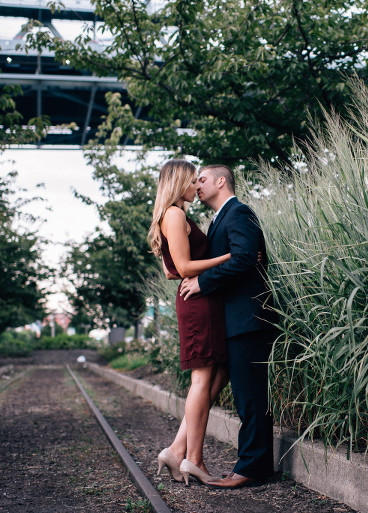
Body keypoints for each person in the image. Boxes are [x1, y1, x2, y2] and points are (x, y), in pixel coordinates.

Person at [179, 164, 276, 489]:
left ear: (222, 181)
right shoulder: (221, 217)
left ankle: (251, 468)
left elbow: (246, 257)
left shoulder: (239, 212)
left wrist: (203, 282)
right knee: (246, 397)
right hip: (236, 321)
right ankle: (252, 465)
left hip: (249, 319)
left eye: (202, 179)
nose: (197, 184)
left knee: (251, 398)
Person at [147, 159, 230, 486]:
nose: (198, 186)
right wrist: (228, 258)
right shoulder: (175, 213)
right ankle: (193, 459)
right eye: (194, 181)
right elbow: (183, 267)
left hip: (201, 299)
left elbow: (172, 267)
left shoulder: (174, 215)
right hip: (197, 302)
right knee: (201, 379)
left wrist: (183, 267)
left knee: (220, 372)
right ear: (179, 181)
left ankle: (176, 449)